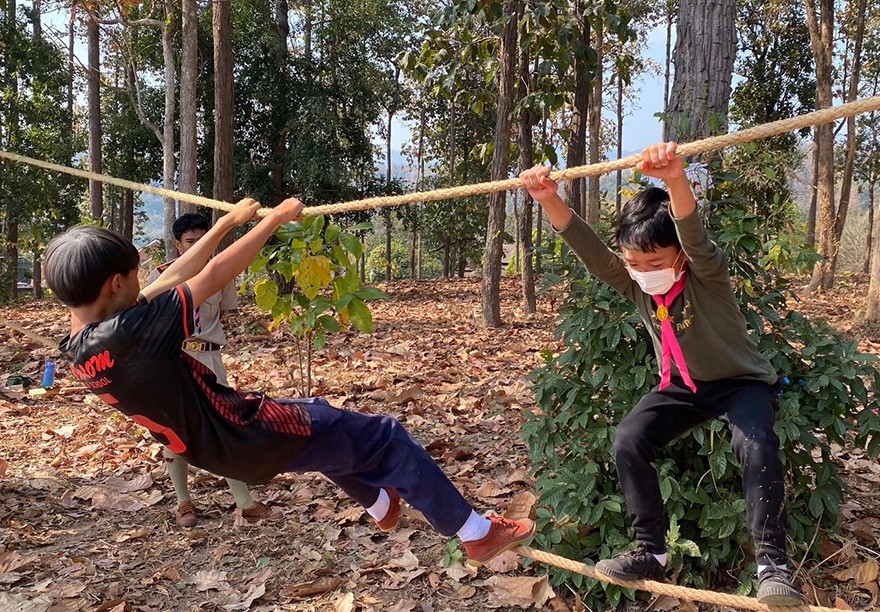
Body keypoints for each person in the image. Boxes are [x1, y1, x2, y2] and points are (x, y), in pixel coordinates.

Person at [44, 197, 534, 567]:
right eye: (132, 277)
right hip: (245, 432)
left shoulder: (83, 343)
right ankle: (473, 532)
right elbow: (212, 274)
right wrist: (274, 220)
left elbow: (169, 277)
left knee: (321, 416)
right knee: (386, 437)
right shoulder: (136, 330)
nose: (139, 283)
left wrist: (225, 223)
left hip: (216, 446)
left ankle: (380, 501)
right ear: (114, 285)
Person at [519, 142, 801, 606]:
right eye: (635, 264)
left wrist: (674, 179)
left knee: (755, 443)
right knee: (629, 439)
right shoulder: (637, 287)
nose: (644, 273)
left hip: (740, 384)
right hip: (682, 386)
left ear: (680, 258)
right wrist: (550, 198)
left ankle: (773, 564)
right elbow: (594, 254)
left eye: (655, 264)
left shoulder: (706, 274)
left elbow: (693, 232)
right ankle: (651, 551)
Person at [146, 213, 280, 527]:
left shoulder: (221, 272)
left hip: (209, 359)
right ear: (178, 245)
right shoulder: (162, 276)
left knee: (223, 425)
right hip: (173, 359)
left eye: (203, 241)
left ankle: (244, 502)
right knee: (174, 430)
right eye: (191, 242)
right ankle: (183, 502)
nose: (198, 248)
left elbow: (224, 313)